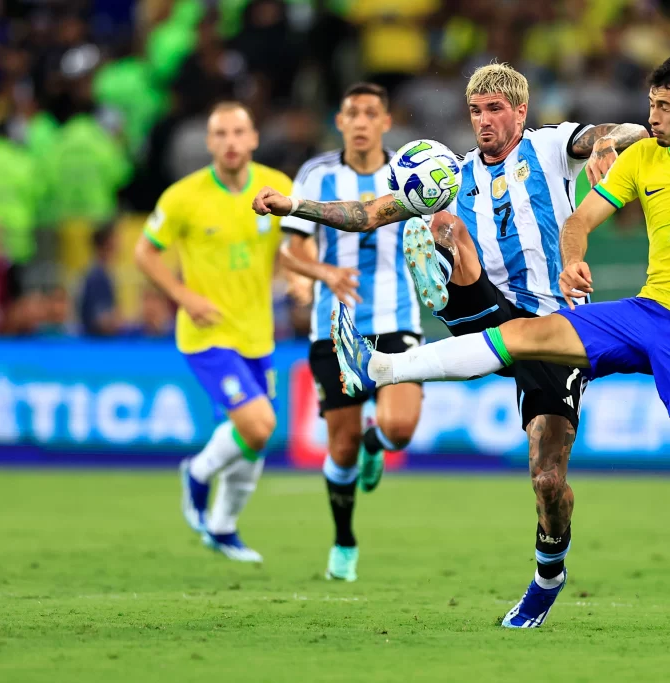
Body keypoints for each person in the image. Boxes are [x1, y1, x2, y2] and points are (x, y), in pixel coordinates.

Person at [328, 55, 670, 636]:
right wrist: (572, 265)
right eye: (649, 105)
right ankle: (382, 366)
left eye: (663, 107)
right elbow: (579, 221)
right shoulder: (641, 159)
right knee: (522, 337)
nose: (653, 117)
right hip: (646, 314)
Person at [253, 62, 649, 627]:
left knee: (548, 480)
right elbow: (368, 213)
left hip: (557, 332)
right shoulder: (454, 175)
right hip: (487, 315)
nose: (483, 121)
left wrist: (612, 144)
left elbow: (620, 131)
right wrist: (295, 207)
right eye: (475, 111)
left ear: (519, 111)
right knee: (437, 223)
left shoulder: (554, 147)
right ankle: (435, 299)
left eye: (494, 110)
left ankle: (548, 576)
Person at [276, 83, 425, 582]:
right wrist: (324, 275)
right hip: (334, 329)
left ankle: (375, 445)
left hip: (398, 321)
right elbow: (290, 251)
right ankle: (344, 539)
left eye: (371, 113)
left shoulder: (407, 172)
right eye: (352, 113)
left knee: (400, 429)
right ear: (340, 122)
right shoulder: (317, 175)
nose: (361, 121)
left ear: (386, 122)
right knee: (336, 448)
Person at [134, 101, 292, 563]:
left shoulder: (276, 187)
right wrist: (183, 296)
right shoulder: (183, 196)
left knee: (256, 439)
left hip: (258, 334)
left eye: (238, 131)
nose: (230, 141)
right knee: (259, 423)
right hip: (207, 334)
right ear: (209, 143)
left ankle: (223, 527)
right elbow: (145, 253)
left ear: (254, 138)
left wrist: (301, 279)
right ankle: (198, 473)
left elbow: (295, 247)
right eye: (220, 133)